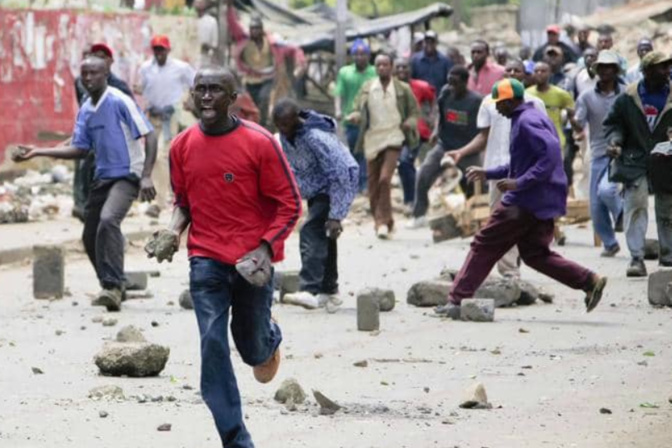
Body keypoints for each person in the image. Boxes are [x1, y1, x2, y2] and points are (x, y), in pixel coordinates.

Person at [145, 66, 300, 447]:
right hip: (206, 259)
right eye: (201, 90)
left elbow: (290, 204)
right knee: (212, 344)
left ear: (233, 99)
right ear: (192, 97)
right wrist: (172, 229)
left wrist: (265, 249)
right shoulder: (181, 146)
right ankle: (236, 438)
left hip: (253, 264)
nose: (208, 96)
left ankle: (269, 337)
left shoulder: (261, 143)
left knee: (252, 350)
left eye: (216, 90)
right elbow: (185, 202)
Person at [435, 78, 607, 319]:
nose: (497, 108)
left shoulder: (527, 122)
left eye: (501, 103)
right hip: (541, 201)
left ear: (513, 101)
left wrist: (519, 183)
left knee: (484, 243)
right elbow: (521, 163)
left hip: (524, 200)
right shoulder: (526, 118)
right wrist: (489, 173)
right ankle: (589, 280)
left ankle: (457, 299)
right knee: (536, 255)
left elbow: (550, 156)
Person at [13, 57, 157, 311]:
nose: (88, 78)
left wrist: (146, 175)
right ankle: (111, 285)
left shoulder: (119, 100)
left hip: (127, 174)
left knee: (109, 219)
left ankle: (113, 285)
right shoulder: (86, 109)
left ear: (106, 74)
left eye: (94, 73)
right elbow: (79, 149)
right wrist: (38, 152)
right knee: (89, 235)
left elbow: (150, 133)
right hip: (102, 176)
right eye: (85, 74)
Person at [442, 59, 547, 278]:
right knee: (500, 218)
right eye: (507, 69)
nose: (510, 73)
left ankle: (512, 266)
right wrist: (462, 152)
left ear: (523, 76)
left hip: (523, 171)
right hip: (495, 169)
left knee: (518, 217)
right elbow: (483, 136)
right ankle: (509, 268)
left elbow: (543, 140)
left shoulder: (535, 104)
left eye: (516, 70)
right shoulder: (490, 102)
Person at [272, 99, 358, 312]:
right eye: (279, 125)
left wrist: (337, 214)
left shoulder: (316, 137)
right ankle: (329, 290)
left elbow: (340, 173)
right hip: (317, 188)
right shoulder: (285, 137)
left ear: (296, 119)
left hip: (335, 185)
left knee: (311, 230)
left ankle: (309, 289)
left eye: (286, 124)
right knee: (326, 236)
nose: (283, 129)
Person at [604, 51, 672, 276]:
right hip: (635, 159)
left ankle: (668, 257)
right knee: (635, 206)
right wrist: (615, 141)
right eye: (662, 67)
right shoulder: (628, 97)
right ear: (647, 71)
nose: (667, 71)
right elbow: (614, 124)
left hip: (666, 160)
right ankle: (636, 258)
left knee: (667, 208)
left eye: (668, 67)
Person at [349, 53, 419, 239]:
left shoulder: (402, 89)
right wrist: (356, 116)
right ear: (375, 67)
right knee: (373, 184)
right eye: (378, 65)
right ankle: (382, 221)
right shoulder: (367, 88)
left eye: (385, 65)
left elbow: (414, 112)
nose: (382, 68)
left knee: (384, 179)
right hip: (372, 139)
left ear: (392, 66)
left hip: (394, 137)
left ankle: (383, 222)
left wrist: (409, 124)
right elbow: (356, 107)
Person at [407, 66, 483, 228]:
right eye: (449, 83)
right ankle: (419, 215)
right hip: (445, 145)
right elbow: (440, 113)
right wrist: (435, 131)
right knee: (423, 174)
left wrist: (469, 150)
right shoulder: (446, 93)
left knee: (477, 183)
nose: (452, 87)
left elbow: (482, 130)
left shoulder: (476, 101)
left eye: (455, 84)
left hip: (467, 149)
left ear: (465, 82)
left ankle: (477, 218)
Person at [571, 50, 625, 258]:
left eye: (609, 67)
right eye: (601, 67)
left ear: (615, 70)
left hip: (622, 152)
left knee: (607, 191)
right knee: (595, 204)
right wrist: (573, 121)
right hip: (598, 152)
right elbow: (579, 125)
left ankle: (621, 214)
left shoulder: (625, 94)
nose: (605, 71)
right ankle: (610, 243)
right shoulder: (586, 97)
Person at [72, 43, 135, 221]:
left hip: (109, 145)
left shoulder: (119, 88)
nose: (88, 78)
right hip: (89, 138)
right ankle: (81, 205)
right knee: (81, 167)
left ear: (109, 62)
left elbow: (132, 120)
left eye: (101, 57)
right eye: (93, 55)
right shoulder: (80, 83)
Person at [138, 35, 195, 215]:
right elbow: (142, 88)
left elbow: (196, 84)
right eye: (156, 49)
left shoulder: (180, 68)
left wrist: (187, 101)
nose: (159, 53)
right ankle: (163, 194)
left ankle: (160, 202)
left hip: (171, 117)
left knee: (162, 156)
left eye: (162, 49)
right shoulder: (146, 68)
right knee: (151, 156)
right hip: (153, 116)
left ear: (168, 50)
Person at [226, 0, 304, 127]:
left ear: (262, 29)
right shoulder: (244, 40)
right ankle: (250, 124)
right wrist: (229, 7)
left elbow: (293, 49)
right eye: (252, 28)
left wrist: (300, 64)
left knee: (263, 99)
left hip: (267, 78)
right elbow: (233, 24)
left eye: (257, 28)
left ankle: (261, 125)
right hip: (249, 79)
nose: (254, 31)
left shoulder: (273, 43)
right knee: (249, 103)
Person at [336, 39, 377, 193]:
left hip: (372, 119)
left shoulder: (375, 71)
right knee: (355, 151)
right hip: (351, 120)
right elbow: (338, 94)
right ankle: (357, 183)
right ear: (352, 56)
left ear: (368, 55)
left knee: (368, 151)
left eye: (363, 54)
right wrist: (338, 110)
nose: (360, 57)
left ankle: (366, 183)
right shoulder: (345, 72)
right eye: (356, 54)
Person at [394, 57, 436, 208]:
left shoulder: (420, 86)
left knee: (405, 162)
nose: (401, 71)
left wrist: (432, 117)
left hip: (416, 133)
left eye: (404, 67)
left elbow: (433, 99)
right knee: (403, 166)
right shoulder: (391, 87)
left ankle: (413, 200)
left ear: (410, 69)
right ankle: (412, 199)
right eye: (398, 67)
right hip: (396, 133)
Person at [527, 62, 575, 150]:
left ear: (550, 73)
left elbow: (572, 115)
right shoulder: (527, 94)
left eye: (543, 71)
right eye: (536, 71)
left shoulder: (561, 94)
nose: (539, 74)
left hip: (556, 140)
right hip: (533, 141)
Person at [411, 30, 453, 95]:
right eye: (427, 42)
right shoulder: (415, 60)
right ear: (423, 43)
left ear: (436, 43)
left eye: (432, 42)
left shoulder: (445, 61)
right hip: (422, 99)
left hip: (440, 98)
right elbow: (412, 81)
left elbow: (449, 82)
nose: (429, 44)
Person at [194, 0, 219, 66]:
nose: (199, 4)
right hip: (190, 60)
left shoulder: (212, 21)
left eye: (201, 2)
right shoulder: (189, 20)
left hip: (204, 60)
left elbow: (214, 45)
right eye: (197, 2)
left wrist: (207, 47)